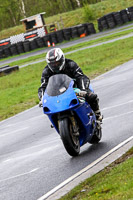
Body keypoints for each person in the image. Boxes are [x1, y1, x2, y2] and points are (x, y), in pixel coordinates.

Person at [38, 48, 102, 121]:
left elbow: (81, 77)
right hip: (57, 93)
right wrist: (42, 98)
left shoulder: (71, 64)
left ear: (62, 59)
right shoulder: (46, 71)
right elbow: (43, 86)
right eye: (52, 64)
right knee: (49, 107)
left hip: (76, 88)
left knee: (91, 96)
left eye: (57, 63)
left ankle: (97, 114)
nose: (55, 65)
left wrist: (83, 90)